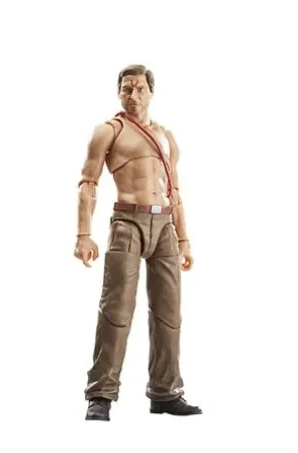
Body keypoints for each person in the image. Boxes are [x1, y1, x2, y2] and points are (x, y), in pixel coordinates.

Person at [74, 64, 202, 421]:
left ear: (151, 92)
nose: (133, 95)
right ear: (119, 92)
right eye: (126, 88)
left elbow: (174, 190)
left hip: (164, 226)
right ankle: (101, 394)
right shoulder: (108, 131)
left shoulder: (165, 136)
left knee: (169, 312)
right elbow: (88, 183)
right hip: (127, 222)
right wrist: (83, 233)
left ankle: (166, 392)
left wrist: (184, 239)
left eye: (140, 88)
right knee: (116, 310)